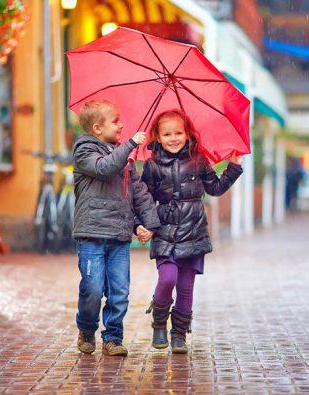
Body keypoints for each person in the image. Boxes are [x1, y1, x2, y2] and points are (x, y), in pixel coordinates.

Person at [136, 109, 243, 354]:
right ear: (158, 137)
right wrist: (142, 224)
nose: (173, 138)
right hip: (165, 230)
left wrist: (233, 168)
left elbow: (214, 188)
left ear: (187, 134)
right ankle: (160, 323)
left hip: (194, 230)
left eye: (178, 133)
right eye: (167, 134)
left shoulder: (199, 159)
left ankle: (179, 334)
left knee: (186, 286)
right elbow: (143, 199)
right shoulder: (152, 165)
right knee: (167, 278)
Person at [72, 99, 161, 356]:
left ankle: (113, 338)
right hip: (92, 234)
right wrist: (131, 144)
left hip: (119, 235)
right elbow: (104, 168)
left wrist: (148, 224)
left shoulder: (125, 158)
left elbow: (139, 194)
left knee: (119, 290)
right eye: (116, 121)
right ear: (98, 129)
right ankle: (87, 330)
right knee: (92, 287)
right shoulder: (84, 150)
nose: (121, 125)